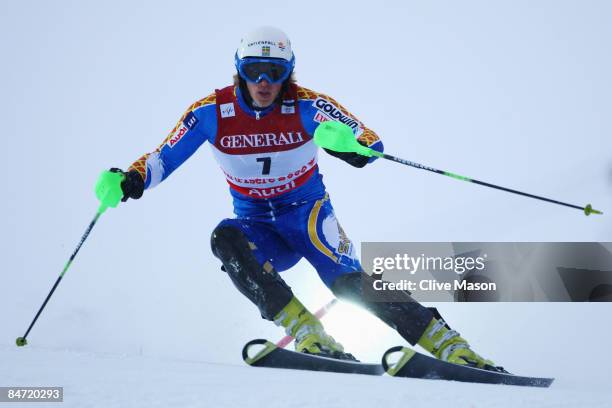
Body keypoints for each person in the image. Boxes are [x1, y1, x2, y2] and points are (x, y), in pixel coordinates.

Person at [97, 26, 495, 367]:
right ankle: (310, 335)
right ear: (239, 71)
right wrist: (129, 179)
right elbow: (162, 158)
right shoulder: (210, 112)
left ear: (289, 72)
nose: (264, 82)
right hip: (258, 225)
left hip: (307, 215)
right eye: (255, 71)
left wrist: (346, 145)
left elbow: (370, 143)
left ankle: (451, 347)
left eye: (275, 71)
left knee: (348, 284)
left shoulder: (307, 104)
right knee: (225, 238)